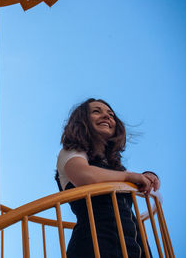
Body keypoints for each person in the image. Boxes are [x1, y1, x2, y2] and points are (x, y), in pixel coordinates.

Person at [55, 98, 160, 258]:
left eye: (110, 114)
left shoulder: (115, 167)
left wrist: (148, 176)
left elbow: (131, 180)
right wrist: (129, 176)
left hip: (134, 247)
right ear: (82, 120)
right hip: (95, 247)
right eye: (96, 111)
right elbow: (85, 175)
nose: (106, 117)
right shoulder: (70, 152)